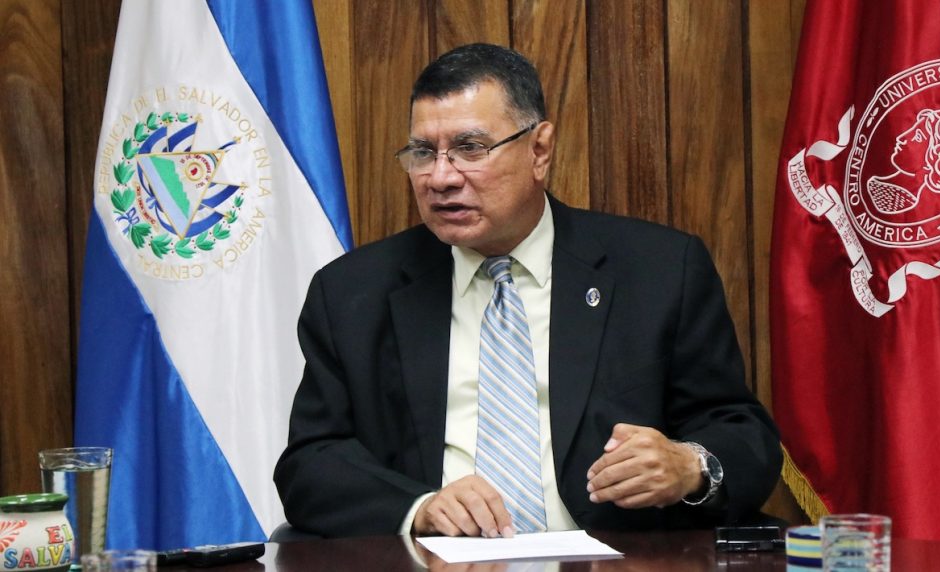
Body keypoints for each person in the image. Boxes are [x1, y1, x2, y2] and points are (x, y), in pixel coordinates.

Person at [274, 43, 782, 538]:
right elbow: (310, 465)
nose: (440, 177)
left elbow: (743, 433)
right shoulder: (352, 293)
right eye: (423, 152)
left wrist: (690, 465)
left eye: (470, 148)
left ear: (539, 149)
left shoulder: (660, 271)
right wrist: (420, 508)